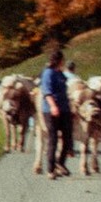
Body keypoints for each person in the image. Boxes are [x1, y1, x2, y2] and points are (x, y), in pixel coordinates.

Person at [40, 47, 72, 177]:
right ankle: (50, 169)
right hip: (51, 110)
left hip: (64, 109)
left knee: (68, 138)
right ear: (59, 60)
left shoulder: (60, 74)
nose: (63, 62)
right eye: (62, 60)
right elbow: (47, 92)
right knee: (53, 139)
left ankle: (60, 163)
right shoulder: (48, 73)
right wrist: (53, 106)